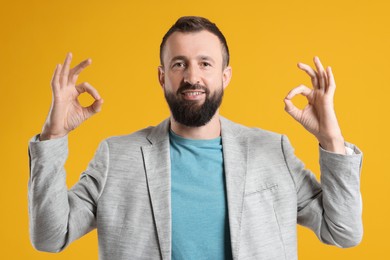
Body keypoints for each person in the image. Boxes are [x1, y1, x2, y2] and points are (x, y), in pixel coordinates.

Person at [28, 16, 363, 260]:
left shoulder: (272, 151)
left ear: (225, 75)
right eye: (179, 64)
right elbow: (50, 237)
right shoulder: (117, 156)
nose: (192, 77)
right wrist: (54, 134)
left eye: (205, 63)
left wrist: (331, 140)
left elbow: (343, 231)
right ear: (162, 77)